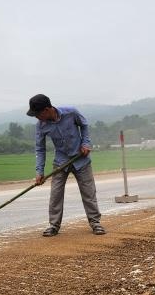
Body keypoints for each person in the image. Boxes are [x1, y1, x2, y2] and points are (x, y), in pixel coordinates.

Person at [27, 94, 105, 236]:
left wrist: (85, 143)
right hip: (60, 162)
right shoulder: (41, 126)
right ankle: (54, 225)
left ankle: (95, 223)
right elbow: (40, 149)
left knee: (89, 193)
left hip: (81, 159)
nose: (36, 118)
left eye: (37, 114)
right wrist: (39, 172)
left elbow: (84, 125)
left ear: (46, 110)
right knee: (55, 194)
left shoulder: (71, 113)